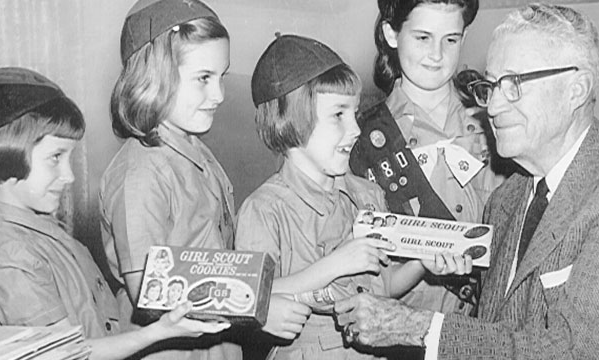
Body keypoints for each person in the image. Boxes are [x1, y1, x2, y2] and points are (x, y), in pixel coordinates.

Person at [336, 3, 599, 358]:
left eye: (515, 84)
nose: (491, 107)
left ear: (577, 89)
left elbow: (575, 348)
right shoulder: (509, 199)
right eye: (493, 86)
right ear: (391, 34)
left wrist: (421, 328)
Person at [236, 34, 472, 359]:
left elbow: (384, 286)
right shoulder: (263, 211)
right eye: (338, 115)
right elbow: (246, 296)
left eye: (354, 113)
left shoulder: (367, 194)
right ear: (291, 119)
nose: (356, 129)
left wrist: (422, 261)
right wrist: (335, 264)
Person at [0, 66, 231, 360]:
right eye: (55, 158)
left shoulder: (44, 233)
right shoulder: (11, 254)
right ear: (5, 152)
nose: (69, 176)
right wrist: (160, 331)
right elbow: (69, 355)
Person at [99, 0, 242, 358]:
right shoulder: (140, 172)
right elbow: (148, 290)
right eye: (204, 79)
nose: (219, 95)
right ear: (153, 77)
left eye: (221, 77)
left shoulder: (194, 149)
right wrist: (259, 305)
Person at [349, 0, 506, 315]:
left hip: (486, 326)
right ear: (391, 34)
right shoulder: (361, 137)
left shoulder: (497, 121)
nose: (437, 54)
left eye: (451, 39)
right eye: (423, 37)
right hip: (404, 331)